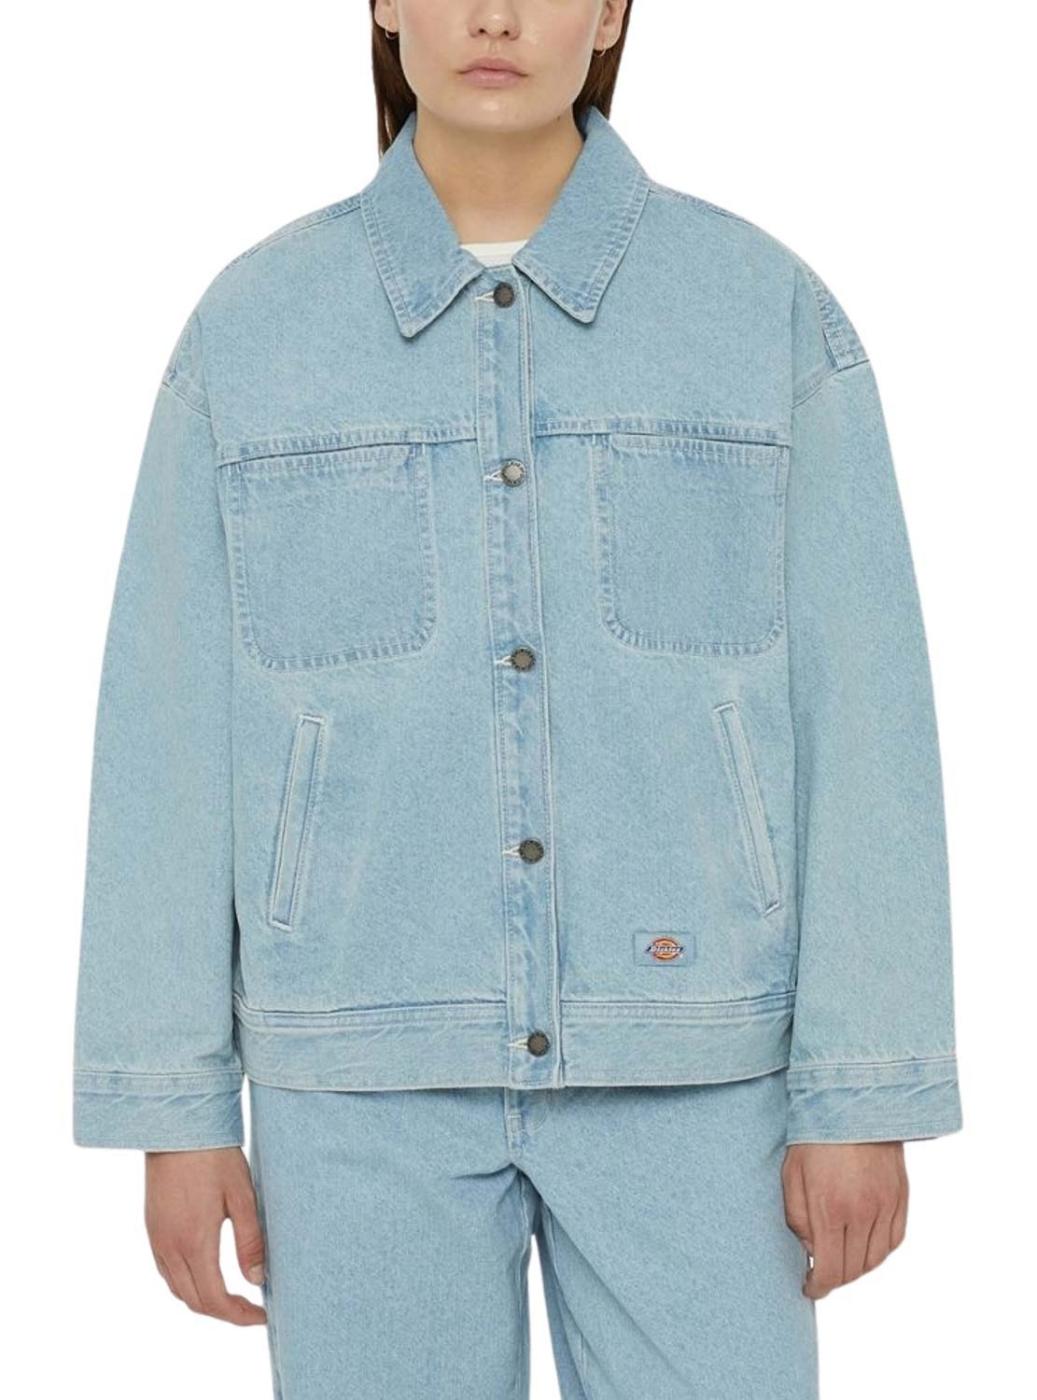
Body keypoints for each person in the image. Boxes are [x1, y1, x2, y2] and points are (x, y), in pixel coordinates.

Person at [71, 2, 963, 1395]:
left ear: (610, 12)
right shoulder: (255, 329)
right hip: (354, 1070)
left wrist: (864, 1084)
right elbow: (166, 734)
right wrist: (171, 1107)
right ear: (383, 2)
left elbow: (866, 710)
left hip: (700, 1061)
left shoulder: (758, 311)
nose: (495, 14)